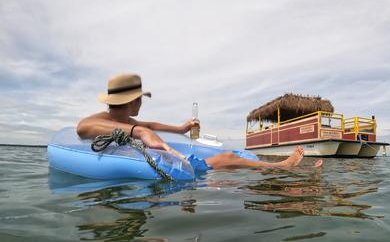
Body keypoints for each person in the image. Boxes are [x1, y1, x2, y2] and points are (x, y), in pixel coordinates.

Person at [77, 73, 322, 170]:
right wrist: (138, 131)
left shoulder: (121, 118)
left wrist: (180, 128)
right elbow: (83, 127)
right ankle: (282, 168)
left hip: (165, 165)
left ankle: (281, 172)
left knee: (230, 171)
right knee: (228, 159)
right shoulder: (103, 120)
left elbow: (152, 125)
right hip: (165, 167)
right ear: (134, 101)